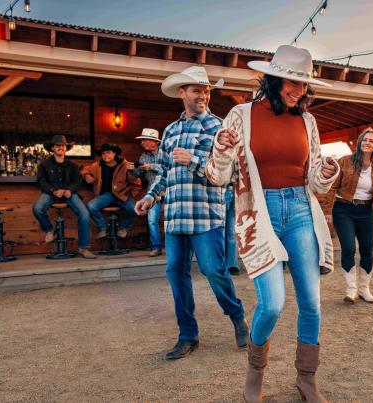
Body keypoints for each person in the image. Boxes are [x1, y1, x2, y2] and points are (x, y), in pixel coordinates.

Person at [206, 45, 339, 403]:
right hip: (258, 214)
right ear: (273, 79)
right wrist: (221, 148)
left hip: (300, 211)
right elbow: (218, 178)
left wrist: (326, 173)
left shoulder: (307, 121)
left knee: (312, 303)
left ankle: (306, 378)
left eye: (303, 85)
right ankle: (255, 374)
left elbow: (313, 180)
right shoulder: (240, 115)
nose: (299, 91)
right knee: (273, 303)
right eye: (291, 83)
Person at [133, 66, 248, 360]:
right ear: (182, 93)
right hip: (174, 217)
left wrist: (194, 160)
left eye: (206, 91)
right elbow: (164, 173)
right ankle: (188, 335)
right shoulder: (170, 131)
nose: (203, 96)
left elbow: (230, 173)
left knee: (213, 270)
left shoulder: (219, 128)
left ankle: (237, 316)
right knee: (175, 273)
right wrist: (150, 197)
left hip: (206, 215)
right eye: (197, 90)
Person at [322, 128, 373, 303]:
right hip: (343, 210)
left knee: (367, 251)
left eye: (371, 141)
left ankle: (364, 289)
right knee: (349, 249)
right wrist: (327, 212)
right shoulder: (345, 161)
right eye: (364, 140)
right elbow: (332, 188)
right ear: (359, 143)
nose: (367, 143)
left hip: (366, 211)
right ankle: (351, 290)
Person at [32, 135, 96, 259]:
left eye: (62, 145)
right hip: (51, 193)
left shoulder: (73, 165)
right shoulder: (44, 165)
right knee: (37, 208)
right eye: (57, 145)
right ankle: (49, 230)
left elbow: (77, 182)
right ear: (52, 148)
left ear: (66, 148)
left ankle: (84, 248)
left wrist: (70, 190)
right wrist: (53, 190)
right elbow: (42, 182)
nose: (60, 147)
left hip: (69, 194)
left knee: (84, 213)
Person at [82, 143, 141, 239]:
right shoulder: (97, 165)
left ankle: (123, 228)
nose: (106, 156)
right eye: (103, 153)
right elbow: (84, 169)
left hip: (122, 194)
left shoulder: (125, 165)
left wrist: (131, 193)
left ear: (114, 154)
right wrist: (86, 175)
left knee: (135, 208)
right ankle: (103, 228)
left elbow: (136, 180)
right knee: (90, 206)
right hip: (106, 195)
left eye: (108, 153)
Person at [131, 128, 164, 257]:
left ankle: (179, 248)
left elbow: (169, 169)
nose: (142, 143)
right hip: (152, 191)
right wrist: (133, 170)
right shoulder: (143, 156)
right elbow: (142, 175)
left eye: (144, 140)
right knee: (152, 220)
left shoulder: (165, 153)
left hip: (169, 190)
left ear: (154, 142)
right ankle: (156, 247)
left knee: (174, 219)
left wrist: (151, 166)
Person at [225, 182, 241, 275]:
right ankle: (228, 263)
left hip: (231, 190)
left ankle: (231, 264)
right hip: (219, 191)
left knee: (230, 231)